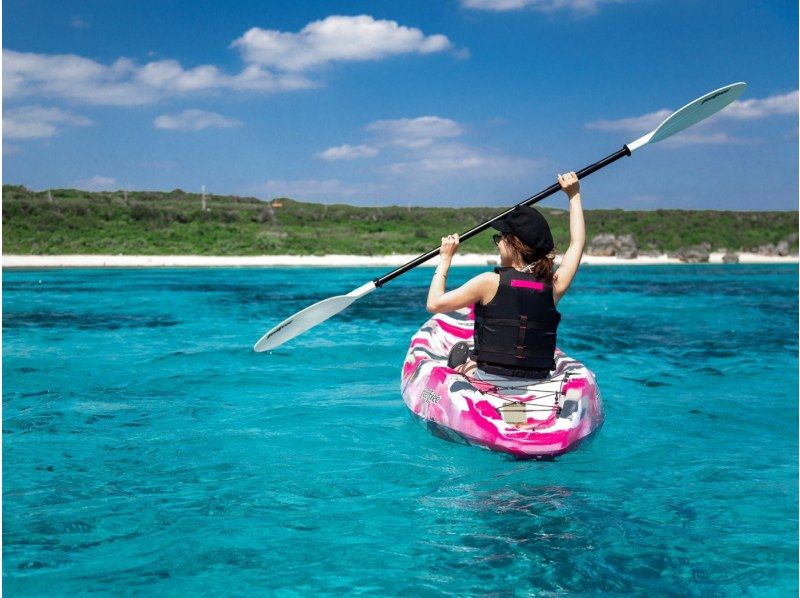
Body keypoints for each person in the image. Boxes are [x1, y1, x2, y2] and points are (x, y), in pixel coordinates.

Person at [426, 171, 584, 380]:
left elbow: (434, 304)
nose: (498, 242)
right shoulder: (553, 285)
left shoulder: (488, 282)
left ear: (514, 244)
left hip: (490, 378)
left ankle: (459, 365)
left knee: (466, 366)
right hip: (537, 379)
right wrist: (574, 195)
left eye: (501, 237)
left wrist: (445, 258)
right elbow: (577, 243)